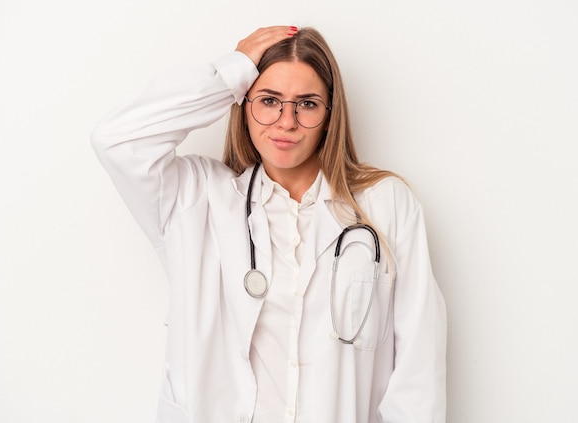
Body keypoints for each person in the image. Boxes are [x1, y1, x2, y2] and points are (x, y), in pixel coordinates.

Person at [92, 25, 446, 423]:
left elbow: (419, 367)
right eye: (269, 100)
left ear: (330, 116)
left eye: (307, 104)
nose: (286, 122)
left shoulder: (386, 204)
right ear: (243, 104)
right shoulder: (197, 199)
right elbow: (116, 140)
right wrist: (230, 73)